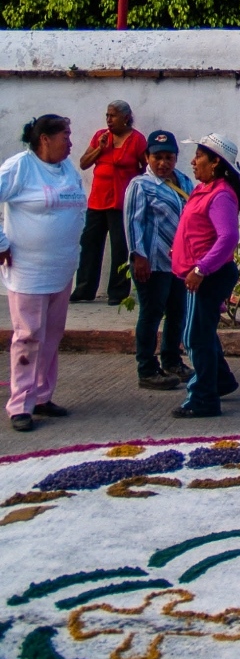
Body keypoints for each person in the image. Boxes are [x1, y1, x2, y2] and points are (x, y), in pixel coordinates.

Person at [0, 115, 87, 432]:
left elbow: (78, 208)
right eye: (65, 135)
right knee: (28, 337)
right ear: (45, 139)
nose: (70, 141)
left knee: (51, 336)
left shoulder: (67, 169)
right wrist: (0, 242)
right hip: (29, 271)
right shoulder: (20, 167)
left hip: (61, 269)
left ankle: (41, 396)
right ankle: (20, 405)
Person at [171, 133, 240, 419]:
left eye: (199, 156)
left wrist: (201, 268)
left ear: (216, 162)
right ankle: (221, 380)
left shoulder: (221, 194)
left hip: (207, 276)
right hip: (198, 274)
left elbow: (227, 238)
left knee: (194, 336)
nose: (193, 161)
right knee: (202, 331)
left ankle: (203, 397)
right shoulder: (205, 190)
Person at [124, 130, 194, 391]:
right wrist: (138, 256)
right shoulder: (140, 185)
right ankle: (147, 369)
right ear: (147, 157)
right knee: (152, 314)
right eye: (157, 157)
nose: (163, 163)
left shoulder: (185, 182)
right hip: (152, 262)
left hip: (179, 264)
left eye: (168, 157)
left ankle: (172, 361)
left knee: (177, 313)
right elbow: (133, 223)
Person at [74, 100, 147, 304]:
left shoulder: (137, 140)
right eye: (107, 115)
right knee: (89, 245)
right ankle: (84, 289)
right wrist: (100, 149)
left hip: (121, 204)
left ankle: (117, 292)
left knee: (120, 248)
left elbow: (146, 167)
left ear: (125, 117)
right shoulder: (100, 136)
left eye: (113, 115)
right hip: (97, 201)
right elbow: (83, 163)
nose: (108, 119)